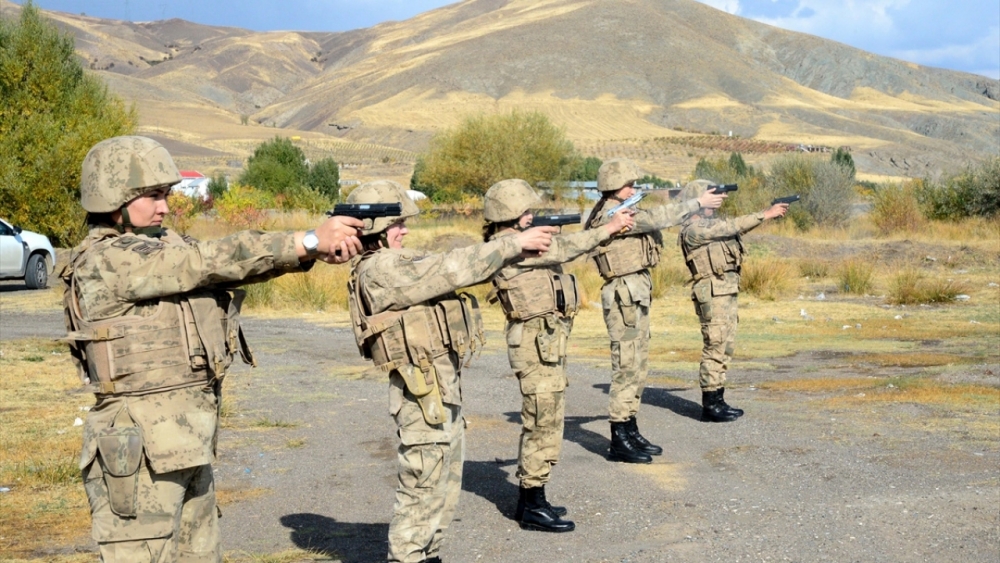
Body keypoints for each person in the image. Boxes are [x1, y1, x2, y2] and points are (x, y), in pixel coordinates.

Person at [62, 135, 364, 561]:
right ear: (114, 198)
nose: (165, 206)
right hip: (138, 455)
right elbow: (205, 262)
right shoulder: (107, 261)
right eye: (152, 196)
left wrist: (309, 254)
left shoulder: (159, 248)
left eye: (166, 194)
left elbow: (224, 267)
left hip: (184, 443)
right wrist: (308, 240)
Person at [344, 180, 556, 563]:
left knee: (443, 484)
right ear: (374, 226)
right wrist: (510, 244)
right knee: (423, 485)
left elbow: (446, 261)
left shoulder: (397, 262)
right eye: (397, 223)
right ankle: (408, 556)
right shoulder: (379, 270)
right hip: (421, 393)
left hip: (439, 389)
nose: (404, 230)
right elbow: (450, 268)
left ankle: (429, 553)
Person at [482, 179, 635, 533]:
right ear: (511, 215)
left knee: (548, 419)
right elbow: (564, 249)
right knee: (541, 420)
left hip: (546, 342)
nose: (532, 216)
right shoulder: (509, 246)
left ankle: (531, 499)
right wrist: (609, 228)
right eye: (527, 212)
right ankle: (532, 502)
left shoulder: (514, 241)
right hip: (535, 344)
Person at [584, 159, 726, 464]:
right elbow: (658, 218)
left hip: (634, 293)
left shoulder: (622, 207)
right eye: (630, 185)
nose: (635, 189)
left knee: (638, 365)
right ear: (615, 186)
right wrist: (696, 203)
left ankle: (630, 427)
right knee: (626, 366)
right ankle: (619, 436)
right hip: (623, 295)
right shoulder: (612, 214)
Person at [677, 179, 789, 422]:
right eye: (711, 197)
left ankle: (718, 398)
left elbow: (734, 227)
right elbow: (731, 226)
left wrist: (766, 215)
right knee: (715, 346)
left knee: (725, 346)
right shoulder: (693, 229)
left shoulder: (712, 224)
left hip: (725, 291)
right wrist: (765, 214)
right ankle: (710, 405)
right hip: (711, 292)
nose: (716, 201)